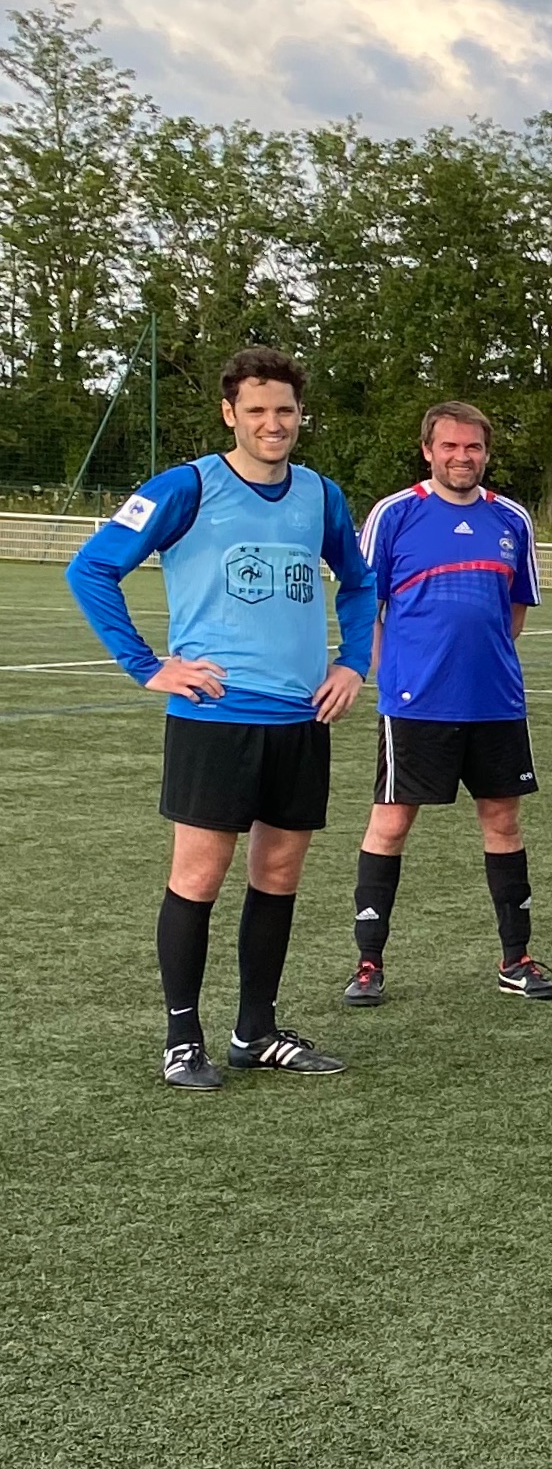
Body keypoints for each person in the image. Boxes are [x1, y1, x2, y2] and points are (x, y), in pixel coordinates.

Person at [66, 346, 377, 1089]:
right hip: (214, 716)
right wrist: (149, 665)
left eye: (286, 411)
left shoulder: (321, 494)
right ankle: (182, 1040)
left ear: (301, 415)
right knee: (199, 875)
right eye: (259, 411)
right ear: (230, 413)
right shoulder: (187, 487)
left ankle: (256, 1030)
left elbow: (360, 586)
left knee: (277, 873)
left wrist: (351, 663)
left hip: (300, 718)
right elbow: (92, 567)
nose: (274, 424)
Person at [345, 401, 552, 1008]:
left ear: (486, 454)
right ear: (428, 451)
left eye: (473, 448)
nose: (462, 457)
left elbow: (514, 611)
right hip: (415, 704)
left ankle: (516, 959)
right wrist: (389, 670)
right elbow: (366, 603)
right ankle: (368, 962)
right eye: (450, 447)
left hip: (495, 702)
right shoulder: (395, 514)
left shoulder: (511, 519)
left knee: (503, 823)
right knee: (390, 824)